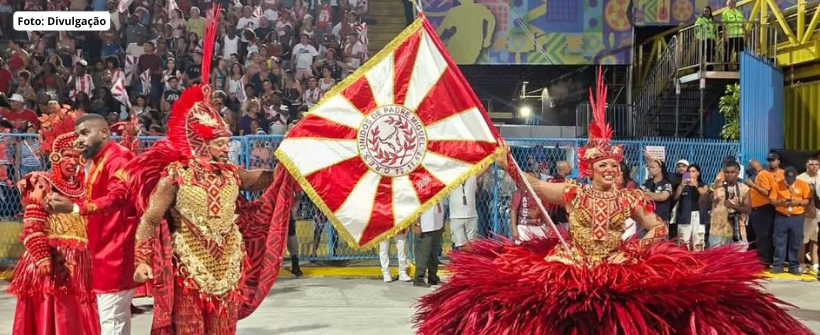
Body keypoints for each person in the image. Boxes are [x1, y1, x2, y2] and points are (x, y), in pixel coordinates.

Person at [413, 67, 813, 335]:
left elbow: (657, 226)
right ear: (589, 169)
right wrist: (508, 164)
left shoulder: (629, 197)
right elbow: (534, 186)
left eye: (613, 165)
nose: (609, 170)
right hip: (573, 264)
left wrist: (640, 246)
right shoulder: (573, 192)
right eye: (602, 165)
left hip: (618, 264)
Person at [127, 7, 295, 333]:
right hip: (187, 268)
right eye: (220, 142)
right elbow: (150, 219)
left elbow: (261, 180)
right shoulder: (176, 175)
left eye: (226, 141)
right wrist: (142, 260)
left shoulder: (230, 172)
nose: (226, 146)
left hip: (228, 266)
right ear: (201, 143)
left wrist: (288, 165)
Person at [8, 108, 100, 335]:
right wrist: (41, 256)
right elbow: (32, 224)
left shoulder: (84, 188)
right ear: (56, 157)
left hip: (80, 265)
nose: (72, 161)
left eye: (76, 157)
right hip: (52, 262)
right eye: (67, 156)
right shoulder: (42, 181)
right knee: (55, 315)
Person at [46, 112, 137, 335]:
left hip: (116, 250)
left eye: (85, 133)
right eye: (78, 135)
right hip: (102, 249)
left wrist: (75, 208)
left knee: (111, 321)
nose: (80, 140)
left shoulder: (118, 158)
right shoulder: (97, 161)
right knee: (113, 319)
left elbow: (118, 197)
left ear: (104, 132)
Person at [769, 166, 811, 275]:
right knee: (779, 241)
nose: (790, 180)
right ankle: (778, 265)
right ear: (784, 176)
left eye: (792, 178)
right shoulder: (777, 184)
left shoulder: (803, 184)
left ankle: (794, 266)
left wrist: (797, 203)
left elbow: (807, 200)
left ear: (796, 176)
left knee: (796, 242)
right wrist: (780, 203)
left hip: (797, 217)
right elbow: (772, 200)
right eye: (788, 178)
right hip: (781, 216)